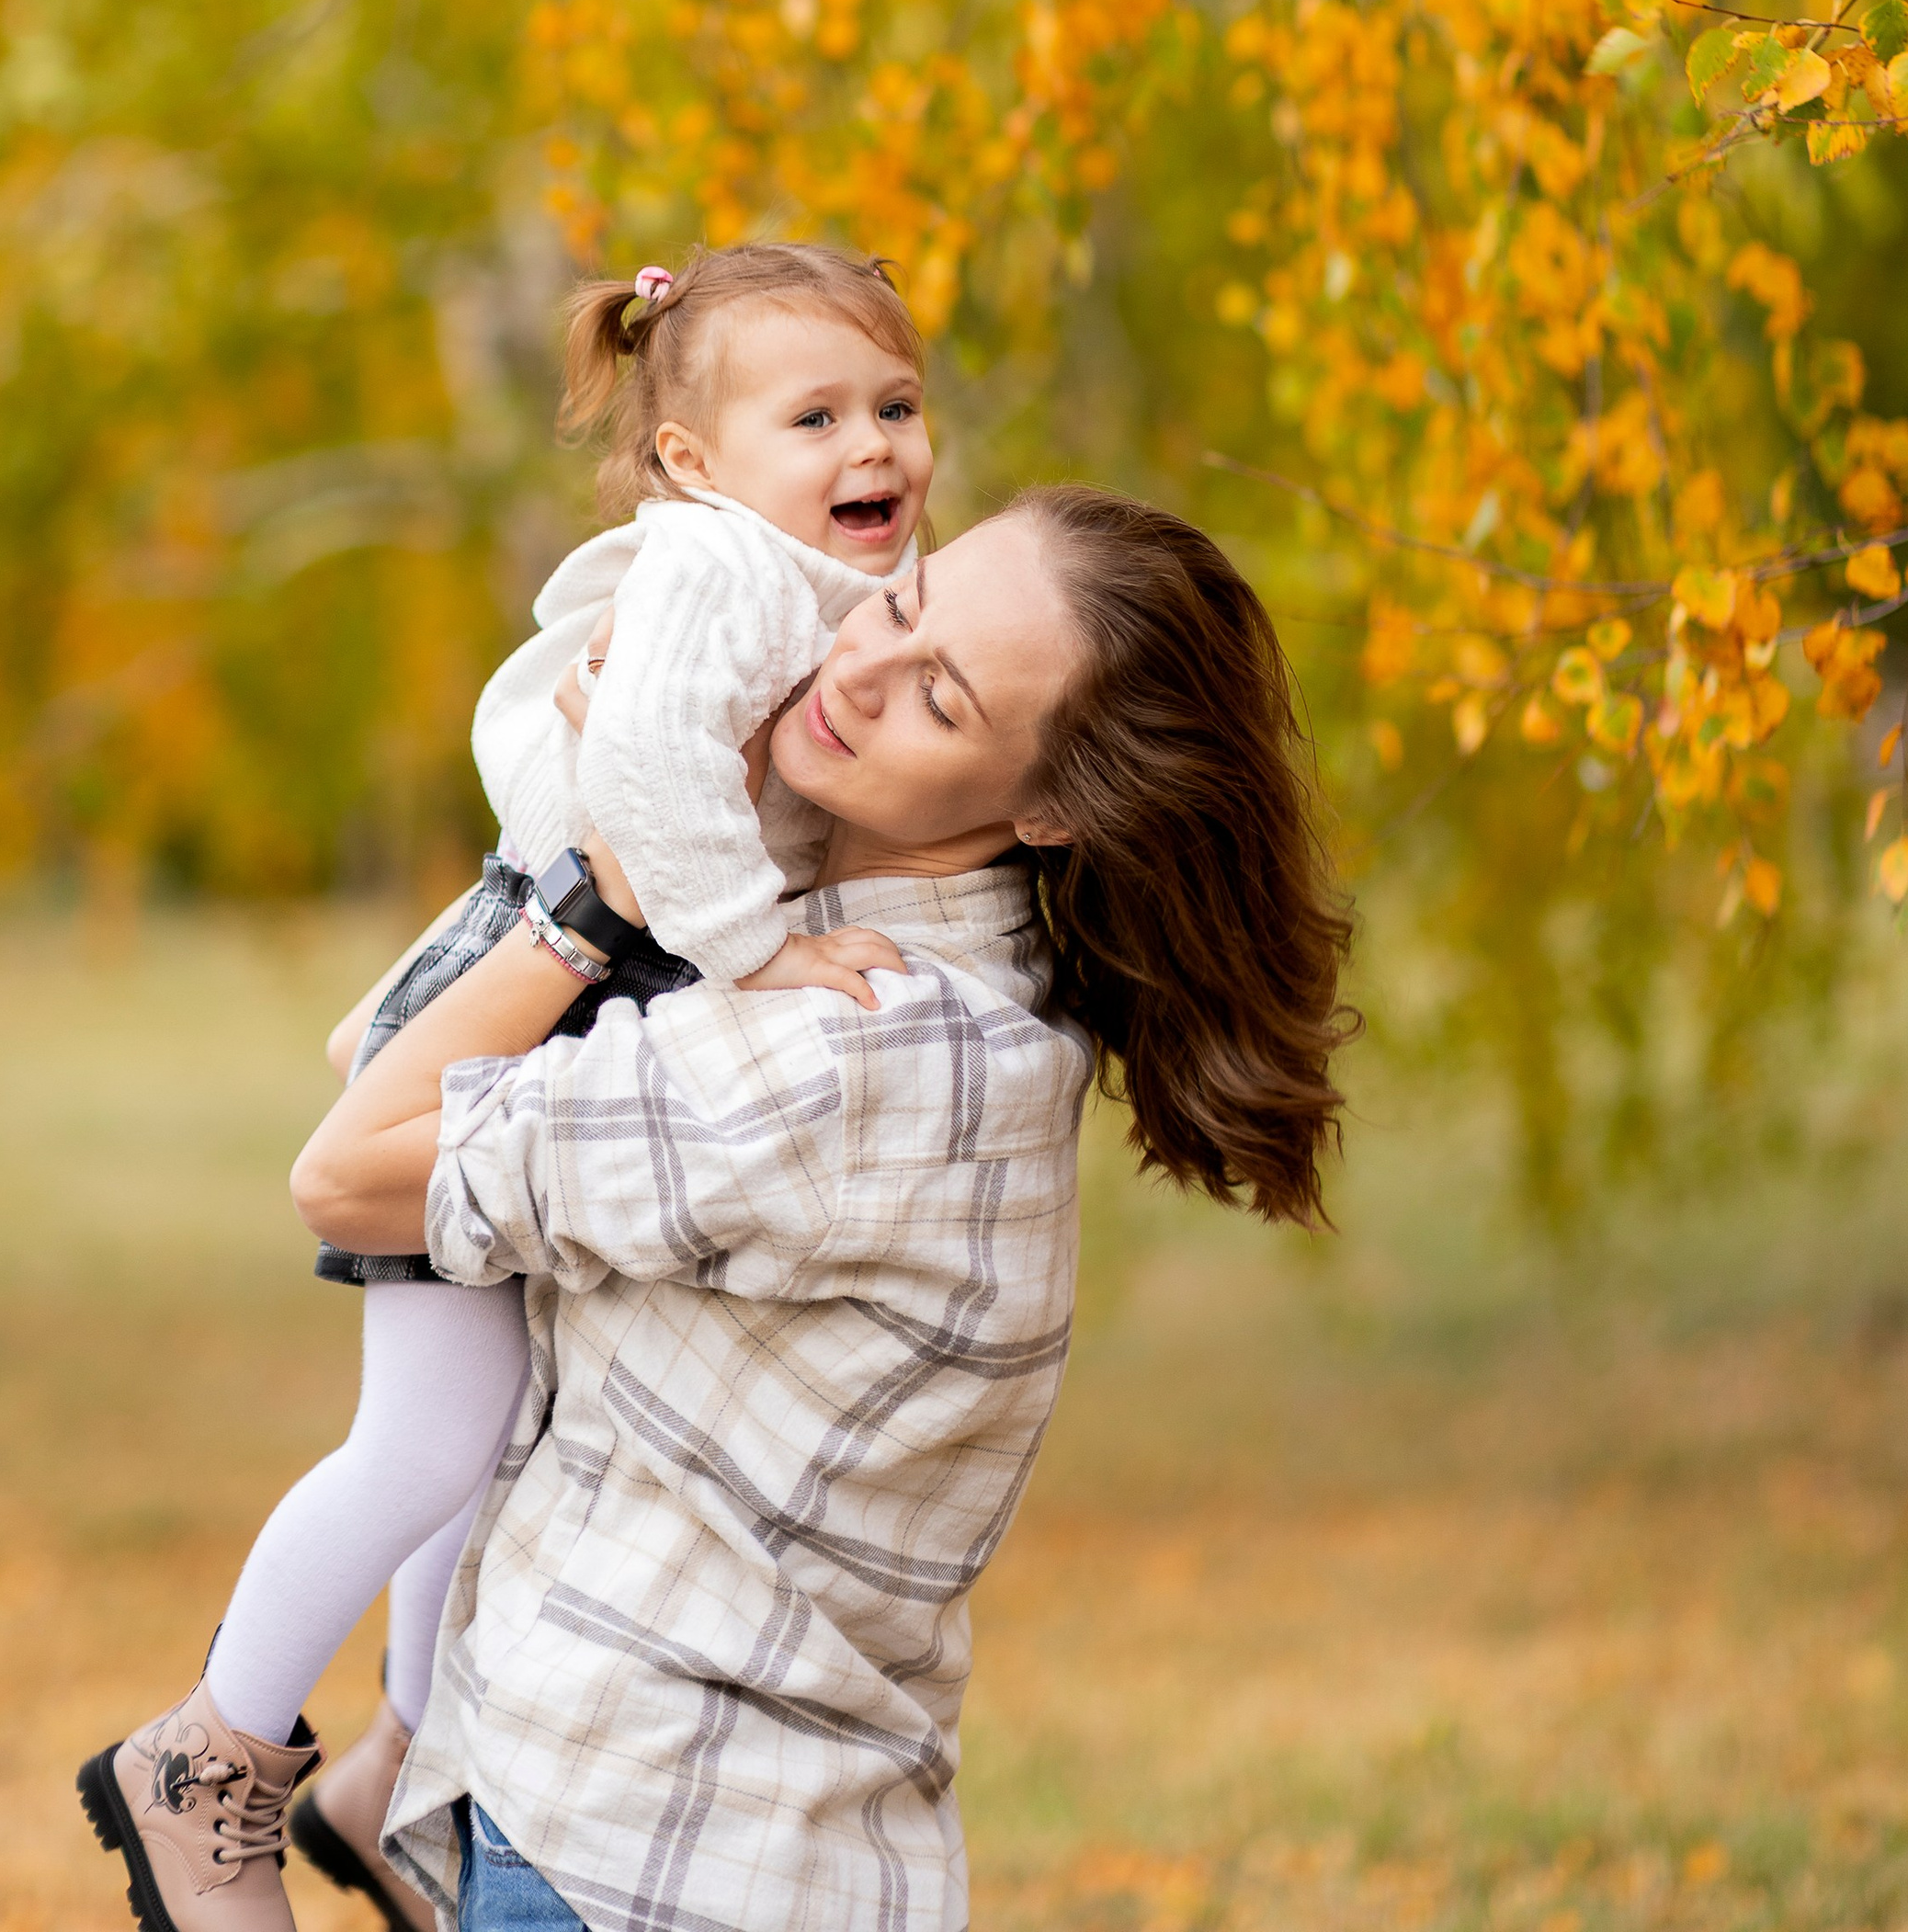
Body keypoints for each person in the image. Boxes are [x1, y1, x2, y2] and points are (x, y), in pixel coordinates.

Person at [291, 483, 1357, 1932]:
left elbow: (349, 1170)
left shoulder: (857, 1051)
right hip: (728, 1842)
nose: (857, 667)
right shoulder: (849, 960)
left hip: (634, 1849)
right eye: (904, 605)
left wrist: (593, 893)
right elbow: (380, 1062)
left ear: (1045, 809)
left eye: (940, 699)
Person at [79, 244, 935, 1932]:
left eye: (897, 407)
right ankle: (206, 1763)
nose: (874, 450)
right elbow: (634, 777)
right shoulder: (724, 574)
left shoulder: (797, 582)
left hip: (556, 994)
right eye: (816, 415)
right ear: (694, 459)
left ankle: (394, 1759)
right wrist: (759, 951)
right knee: (429, 1436)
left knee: (485, 1435)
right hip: (540, 999)